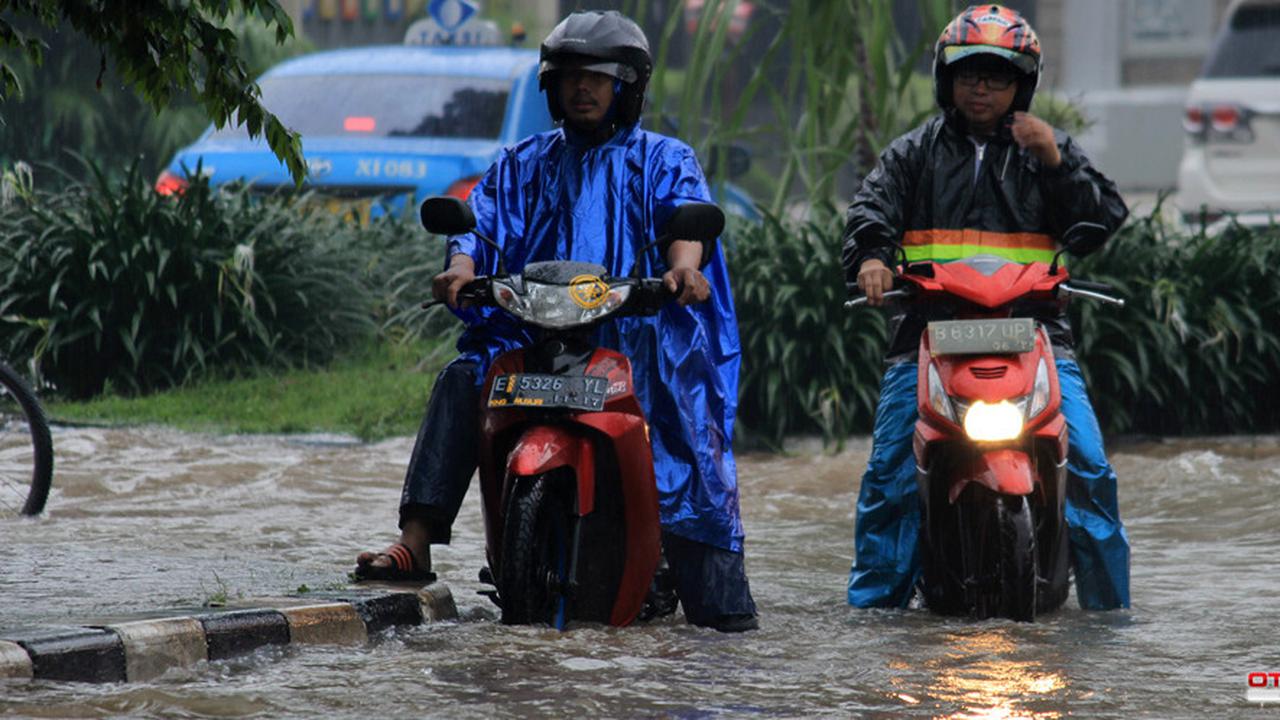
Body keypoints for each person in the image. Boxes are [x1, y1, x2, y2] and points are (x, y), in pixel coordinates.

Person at [354, 10, 758, 632]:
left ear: (626, 86)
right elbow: (480, 224)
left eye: (597, 77)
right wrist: (461, 267)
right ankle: (416, 540)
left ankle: (716, 601)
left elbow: (686, 220)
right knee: (463, 378)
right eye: (570, 76)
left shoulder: (663, 158)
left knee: (687, 428)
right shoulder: (522, 162)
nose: (582, 88)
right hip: (531, 337)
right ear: (552, 86)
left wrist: (683, 270)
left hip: (638, 341)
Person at [841, 4, 1131, 611]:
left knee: (1089, 468)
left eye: (997, 77)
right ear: (946, 78)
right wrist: (870, 257)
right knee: (890, 472)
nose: (981, 88)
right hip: (928, 333)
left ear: (1020, 86)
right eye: (970, 74)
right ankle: (874, 614)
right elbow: (870, 209)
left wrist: (1058, 162)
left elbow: (1103, 217)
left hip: (1036, 332)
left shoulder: (1047, 149)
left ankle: (1109, 616)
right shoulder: (913, 152)